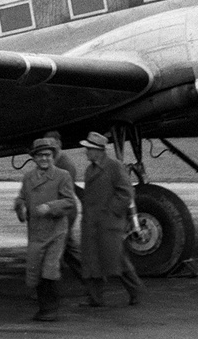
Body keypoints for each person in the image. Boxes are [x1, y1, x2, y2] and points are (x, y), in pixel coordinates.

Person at [77, 131, 146, 307]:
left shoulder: (114, 166)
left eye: (89, 149)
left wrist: (112, 212)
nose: (86, 152)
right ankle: (95, 298)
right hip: (92, 223)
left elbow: (126, 192)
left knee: (116, 260)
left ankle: (136, 291)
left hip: (108, 224)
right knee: (92, 261)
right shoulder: (90, 169)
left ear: (98, 150)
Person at [13, 137, 78, 322]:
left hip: (56, 231)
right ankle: (43, 308)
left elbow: (69, 202)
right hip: (36, 232)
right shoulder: (28, 178)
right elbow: (21, 198)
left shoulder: (62, 175)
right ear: (34, 158)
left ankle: (50, 309)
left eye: (48, 155)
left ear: (53, 156)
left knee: (49, 269)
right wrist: (21, 207)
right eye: (40, 155)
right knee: (34, 271)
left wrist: (50, 207)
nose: (44, 159)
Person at [44, 130, 86, 285]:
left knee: (55, 251)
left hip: (64, 212)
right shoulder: (52, 162)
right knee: (68, 251)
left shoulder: (65, 165)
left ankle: (48, 290)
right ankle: (92, 282)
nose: (48, 147)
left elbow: (62, 194)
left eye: (51, 143)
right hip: (57, 211)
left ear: (59, 144)